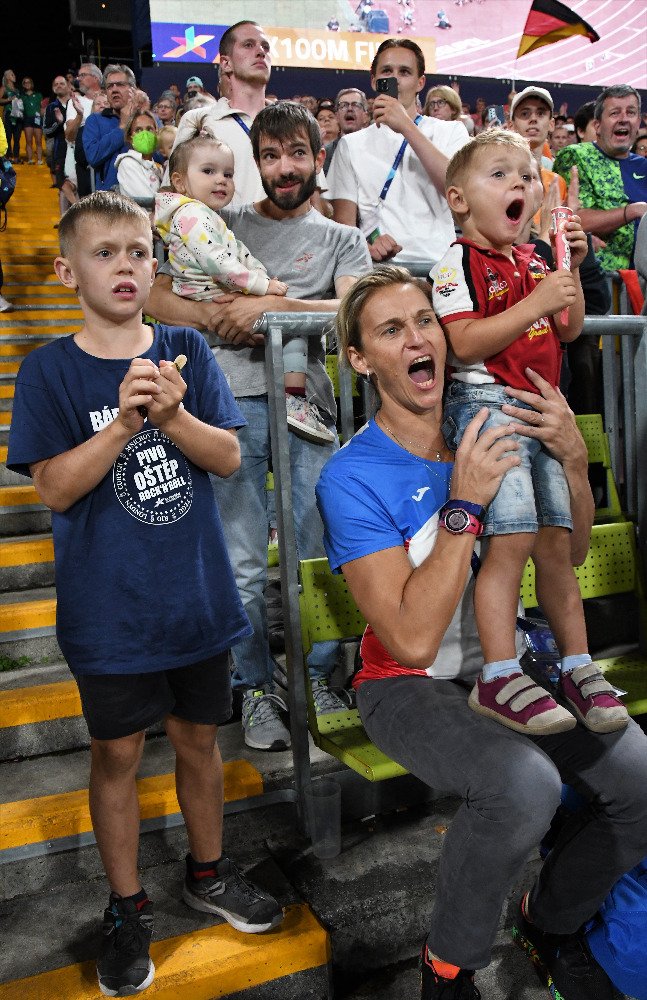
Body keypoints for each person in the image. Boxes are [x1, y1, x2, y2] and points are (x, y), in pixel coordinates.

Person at [316, 264, 647, 1000]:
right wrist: (463, 506)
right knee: (520, 783)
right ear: (361, 360)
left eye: (424, 321)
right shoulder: (351, 475)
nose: (417, 337)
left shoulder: (493, 421)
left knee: (640, 778)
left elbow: (575, 552)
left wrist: (568, 459)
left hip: (511, 668)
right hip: (407, 684)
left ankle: (549, 922)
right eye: (390, 329)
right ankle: (448, 968)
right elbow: (407, 639)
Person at [6, 190, 283, 998]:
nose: (124, 265)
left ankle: (209, 871)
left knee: (201, 743)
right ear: (66, 271)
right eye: (104, 252)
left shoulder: (183, 348)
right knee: (117, 755)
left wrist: (173, 416)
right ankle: (127, 905)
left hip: (194, 596)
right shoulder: (49, 369)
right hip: (111, 609)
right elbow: (55, 490)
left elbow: (228, 457)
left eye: (136, 251)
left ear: (154, 264)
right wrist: (125, 426)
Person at [147, 101, 371, 751]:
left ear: (316, 158)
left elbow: (354, 311)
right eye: (269, 155)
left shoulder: (340, 238)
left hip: (309, 413)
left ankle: (322, 678)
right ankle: (255, 688)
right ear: (256, 164)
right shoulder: (218, 220)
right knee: (239, 565)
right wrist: (209, 315)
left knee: (322, 556)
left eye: (295, 152)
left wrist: (272, 308)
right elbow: (158, 293)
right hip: (226, 409)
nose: (283, 166)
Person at [429, 128, 628, 737]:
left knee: (555, 548)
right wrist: (538, 300)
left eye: (525, 175)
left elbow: (568, 331)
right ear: (459, 198)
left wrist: (570, 267)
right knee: (510, 544)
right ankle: (499, 673)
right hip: (487, 408)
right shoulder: (455, 262)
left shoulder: (538, 259)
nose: (520, 183)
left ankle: (577, 666)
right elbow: (463, 342)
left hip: (542, 407)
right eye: (500, 175)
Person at [154, 116, 332, 443]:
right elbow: (218, 263)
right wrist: (258, 291)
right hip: (213, 330)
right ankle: (294, 399)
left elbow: (238, 252)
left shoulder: (210, 217)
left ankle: (294, 399)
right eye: (208, 172)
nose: (221, 180)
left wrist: (270, 297)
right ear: (179, 181)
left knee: (287, 326)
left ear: (319, 159)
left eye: (227, 174)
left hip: (233, 311)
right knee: (289, 330)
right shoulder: (193, 216)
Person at [327, 37, 469, 265]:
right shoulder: (350, 145)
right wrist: (367, 247)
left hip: (440, 265)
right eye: (386, 71)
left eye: (404, 72)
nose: (395, 79)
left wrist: (405, 126)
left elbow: (458, 191)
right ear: (374, 80)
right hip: (379, 269)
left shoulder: (451, 131)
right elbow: (344, 225)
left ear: (420, 82)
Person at [554, 85, 647, 271]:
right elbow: (574, 218)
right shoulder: (576, 156)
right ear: (597, 125)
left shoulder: (643, 165)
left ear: (638, 122)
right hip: (603, 280)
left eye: (631, 112)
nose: (623, 119)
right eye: (614, 113)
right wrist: (633, 211)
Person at [83, 63, 136, 192]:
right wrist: (122, 126)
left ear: (132, 89)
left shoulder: (144, 119)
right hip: (109, 197)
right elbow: (93, 156)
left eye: (120, 84)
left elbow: (158, 156)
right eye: (110, 86)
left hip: (142, 194)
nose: (114, 89)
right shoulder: (95, 120)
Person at [116, 111, 162, 203]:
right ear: (130, 137)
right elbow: (146, 199)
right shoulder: (127, 163)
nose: (145, 134)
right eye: (138, 130)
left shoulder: (158, 167)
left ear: (156, 134)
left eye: (149, 129)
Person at [323, 88, 369, 175]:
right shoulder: (326, 154)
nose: (350, 109)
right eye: (344, 105)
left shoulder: (375, 149)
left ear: (365, 117)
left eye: (356, 105)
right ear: (337, 117)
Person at [20, 76, 44, 165]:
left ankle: (39, 159)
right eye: (25, 83)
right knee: (28, 141)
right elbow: (19, 108)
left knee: (38, 141)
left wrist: (42, 116)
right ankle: (30, 160)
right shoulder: (22, 96)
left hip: (37, 119)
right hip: (27, 119)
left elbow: (42, 108)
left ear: (31, 83)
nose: (27, 84)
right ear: (23, 85)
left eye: (28, 82)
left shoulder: (38, 95)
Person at [1, 69, 22, 161]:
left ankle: (16, 157)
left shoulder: (17, 90)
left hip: (18, 115)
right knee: (8, 136)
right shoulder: (4, 88)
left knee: (17, 137)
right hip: (8, 114)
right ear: (7, 77)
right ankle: (8, 157)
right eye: (12, 75)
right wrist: (9, 99)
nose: (14, 76)